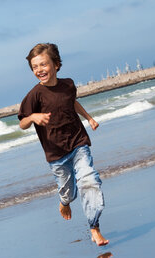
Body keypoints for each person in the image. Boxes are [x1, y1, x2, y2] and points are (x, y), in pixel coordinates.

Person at [18, 43, 109, 246]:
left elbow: (72, 102)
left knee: (90, 181)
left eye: (43, 64)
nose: (39, 70)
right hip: (56, 153)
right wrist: (33, 117)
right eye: (35, 67)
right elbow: (22, 123)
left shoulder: (68, 84)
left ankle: (94, 228)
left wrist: (89, 118)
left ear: (56, 64)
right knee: (69, 190)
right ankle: (65, 202)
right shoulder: (34, 95)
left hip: (78, 143)